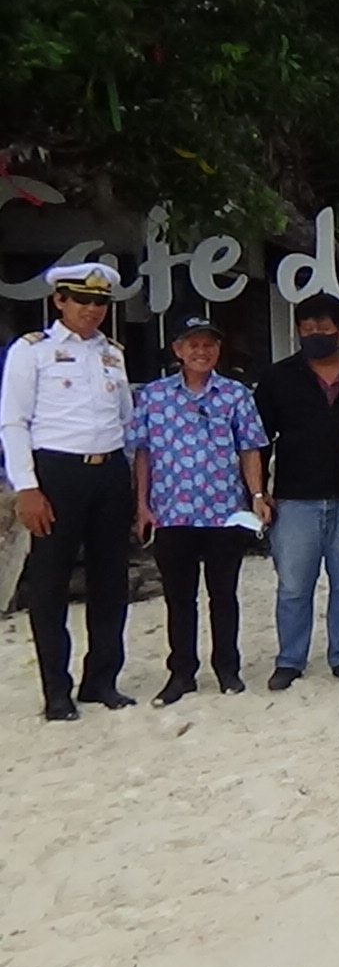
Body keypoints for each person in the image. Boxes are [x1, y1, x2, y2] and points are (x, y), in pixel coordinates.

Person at [1, 263, 136, 720]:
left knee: (110, 581)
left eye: (100, 302)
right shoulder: (33, 351)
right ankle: (57, 690)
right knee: (50, 583)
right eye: (82, 300)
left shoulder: (112, 354)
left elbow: (125, 420)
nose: (92, 309)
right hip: (57, 473)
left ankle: (101, 680)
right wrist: (27, 487)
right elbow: (13, 423)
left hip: (109, 471)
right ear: (59, 300)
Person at [130, 315, 272, 705]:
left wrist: (257, 495)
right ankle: (181, 673)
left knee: (223, 595)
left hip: (224, 511)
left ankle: (227, 668)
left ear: (218, 349)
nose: (202, 351)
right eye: (193, 344)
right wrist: (142, 505)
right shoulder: (154, 396)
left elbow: (250, 448)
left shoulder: (235, 394)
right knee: (179, 598)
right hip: (172, 511)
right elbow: (143, 453)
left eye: (209, 344)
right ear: (178, 350)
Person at [255, 294, 339, 691]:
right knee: (293, 586)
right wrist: (259, 492)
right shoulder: (278, 377)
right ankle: (290, 659)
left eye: (324, 329)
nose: (315, 335)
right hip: (295, 497)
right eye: (307, 329)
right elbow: (258, 441)